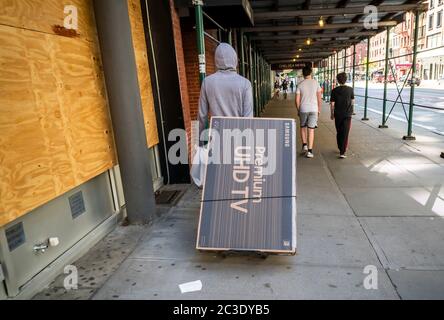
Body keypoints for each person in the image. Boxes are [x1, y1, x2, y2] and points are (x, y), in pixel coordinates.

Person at [198, 43, 253, 136]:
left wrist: (199, 144)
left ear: (216, 60)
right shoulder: (245, 83)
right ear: (234, 59)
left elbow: (202, 116)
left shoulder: (207, 82)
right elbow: (248, 117)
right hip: (239, 137)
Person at [295, 66, 322, 158]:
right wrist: (319, 109)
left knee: (303, 127)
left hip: (303, 109)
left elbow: (297, 100)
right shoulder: (316, 83)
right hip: (313, 109)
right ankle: (310, 151)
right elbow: (319, 98)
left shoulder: (300, 84)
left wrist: (298, 110)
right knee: (311, 130)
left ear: (303, 74)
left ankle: (304, 145)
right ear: (311, 73)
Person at [330, 72, 355, 159]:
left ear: (337, 80)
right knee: (345, 133)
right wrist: (352, 110)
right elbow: (352, 101)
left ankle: (340, 147)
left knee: (339, 131)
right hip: (347, 114)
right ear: (346, 79)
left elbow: (332, 104)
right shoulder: (350, 89)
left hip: (338, 114)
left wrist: (332, 114)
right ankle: (342, 151)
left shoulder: (334, 91)